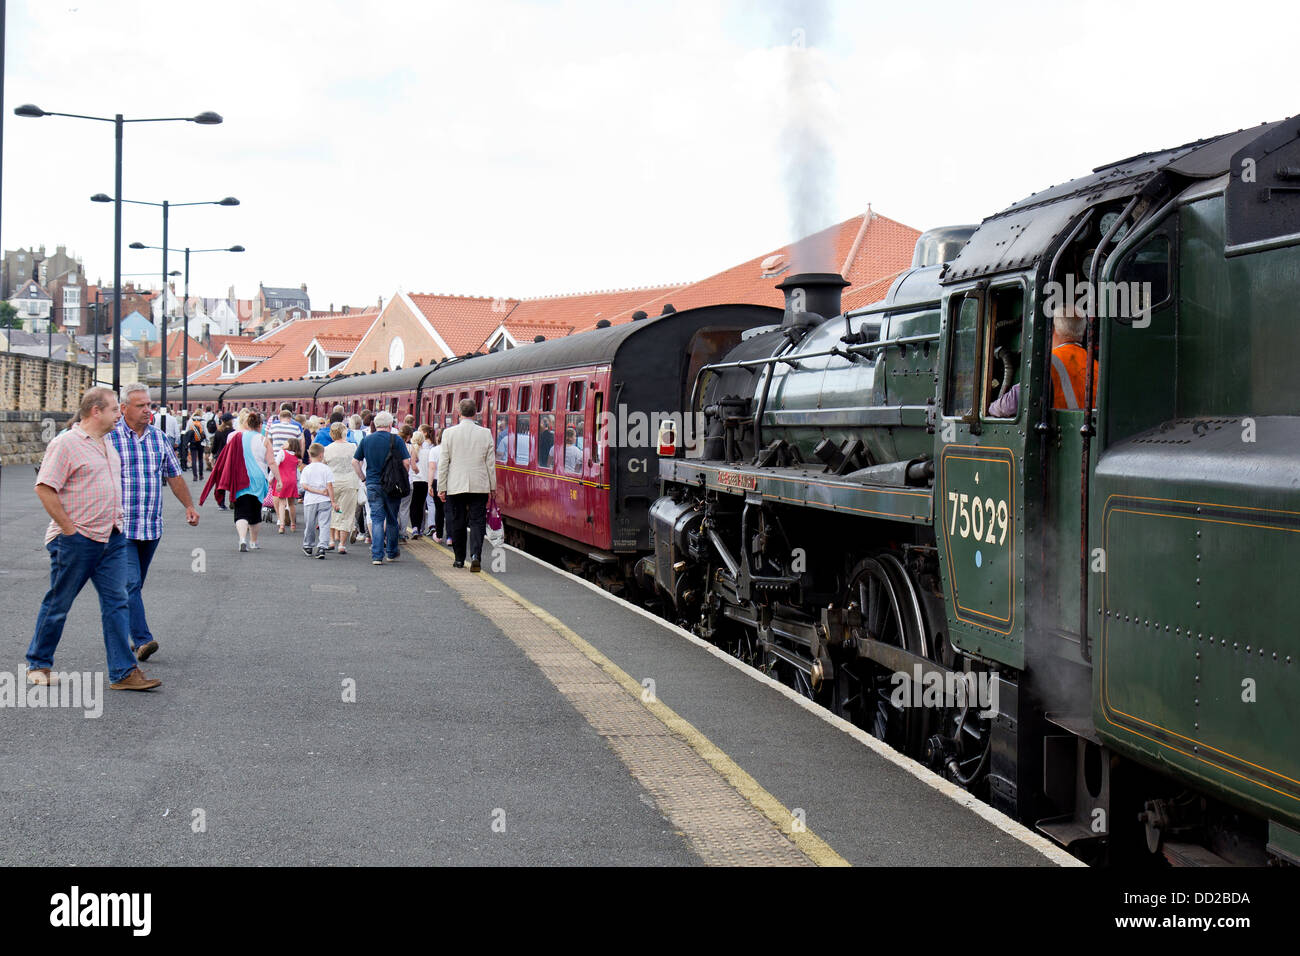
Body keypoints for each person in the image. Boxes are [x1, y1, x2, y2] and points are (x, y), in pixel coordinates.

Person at [27, 386, 161, 691]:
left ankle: (123, 672)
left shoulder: (105, 444)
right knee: (59, 602)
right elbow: (44, 488)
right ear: (96, 411)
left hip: (111, 537)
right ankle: (39, 663)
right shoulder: (66, 444)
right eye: (115, 409)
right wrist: (69, 530)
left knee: (117, 602)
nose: (119, 415)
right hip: (76, 539)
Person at [108, 381, 201, 663]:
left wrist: (188, 506)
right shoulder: (109, 437)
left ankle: (127, 631)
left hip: (150, 526)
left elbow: (173, 475)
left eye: (149, 405)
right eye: (141, 405)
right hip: (119, 526)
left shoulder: (158, 438)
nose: (148, 410)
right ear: (123, 408)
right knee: (130, 584)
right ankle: (142, 640)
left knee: (134, 586)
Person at [988, 305, 1098, 419]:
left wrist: (990, 408)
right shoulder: (1096, 366)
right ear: (1083, 330)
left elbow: (1010, 404)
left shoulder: (1048, 363)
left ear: (1053, 329)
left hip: (1057, 434)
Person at [438, 398, 496, 572]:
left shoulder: (449, 433)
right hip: (479, 484)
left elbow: (444, 463)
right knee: (477, 521)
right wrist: (493, 487)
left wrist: (441, 486)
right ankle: (475, 556)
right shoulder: (485, 433)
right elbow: (490, 463)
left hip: (456, 485)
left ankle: (458, 559)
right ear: (475, 413)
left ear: (459, 413)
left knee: (457, 521)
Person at [352, 410, 410, 566]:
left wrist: (363, 478)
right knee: (392, 519)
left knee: (377, 519)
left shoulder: (367, 440)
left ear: (375, 425)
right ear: (390, 425)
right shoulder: (396, 440)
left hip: (372, 484)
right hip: (392, 485)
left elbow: (355, 462)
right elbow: (406, 462)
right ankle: (391, 553)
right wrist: (403, 477)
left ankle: (377, 555)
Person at [324, 421, 360, 554]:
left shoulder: (327, 449)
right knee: (346, 513)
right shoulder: (353, 447)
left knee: (332, 511)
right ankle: (342, 545)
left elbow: (324, 466)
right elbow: (358, 463)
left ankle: (331, 540)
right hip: (350, 483)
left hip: (332, 484)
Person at [299, 443, 335, 559]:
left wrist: (315, 491)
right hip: (325, 500)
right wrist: (332, 500)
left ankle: (308, 545)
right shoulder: (326, 469)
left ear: (310, 454)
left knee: (310, 523)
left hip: (310, 500)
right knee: (324, 524)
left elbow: (304, 486)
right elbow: (330, 486)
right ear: (321, 455)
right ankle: (322, 547)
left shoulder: (306, 469)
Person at [273, 436, 302, 533]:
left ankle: (282, 525)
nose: (284, 444)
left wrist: (270, 477)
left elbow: (275, 464)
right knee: (291, 504)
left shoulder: (282, 453)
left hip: (282, 480)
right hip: (292, 481)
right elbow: (297, 472)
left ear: (290, 445)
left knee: (282, 503)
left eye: (286, 442)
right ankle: (293, 524)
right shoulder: (296, 457)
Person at [209, 414, 234, 509]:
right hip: (230, 458)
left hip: (220, 458)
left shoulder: (218, 432)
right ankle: (232, 500)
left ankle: (221, 503)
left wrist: (213, 454)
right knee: (232, 480)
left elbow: (214, 447)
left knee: (220, 481)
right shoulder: (233, 432)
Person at [397, 424, 415, 539]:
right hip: (407, 482)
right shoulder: (410, 448)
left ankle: (393, 531)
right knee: (404, 508)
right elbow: (411, 463)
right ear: (408, 436)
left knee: (394, 508)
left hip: (393, 481)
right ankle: (403, 533)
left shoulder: (393, 445)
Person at [409, 429, 427, 539]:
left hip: (413, 481)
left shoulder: (411, 450)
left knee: (413, 505)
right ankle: (420, 528)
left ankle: (414, 527)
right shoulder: (428, 452)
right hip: (424, 482)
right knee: (421, 506)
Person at [185, 413, 207, 480]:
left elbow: (187, 431)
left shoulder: (190, 421)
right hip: (200, 442)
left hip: (192, 442)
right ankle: (201, 475)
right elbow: (205, 432)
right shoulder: (203, 421)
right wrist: (207, 441)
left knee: (194, 459)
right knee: (200, 458)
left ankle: (195, 476)